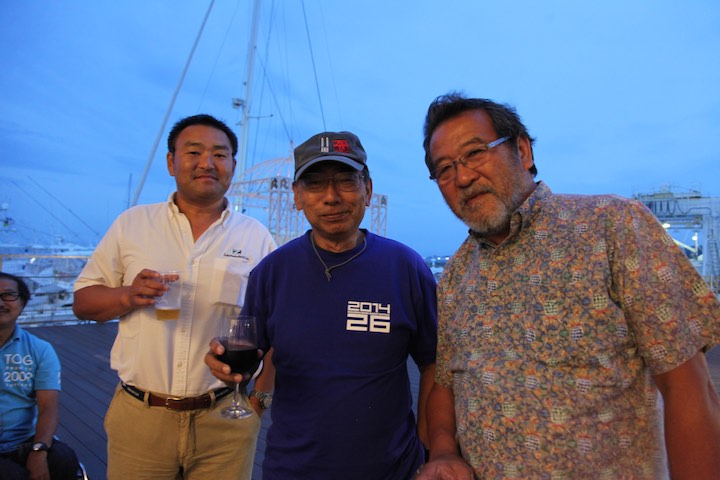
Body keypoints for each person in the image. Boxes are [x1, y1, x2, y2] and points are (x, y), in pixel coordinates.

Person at [416, 92, 720, 479]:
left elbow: (689, 391)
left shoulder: (613, 226)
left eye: (475, 153)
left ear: (522, 151)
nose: (462, 177)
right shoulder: (456, 275)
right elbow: (445, 384)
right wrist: (443, 451)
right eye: (444, 169)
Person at [205, 131, 438, 479]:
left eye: (346, 181)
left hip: (393, 468)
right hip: (293, 468)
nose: (331, 197)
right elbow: (251, 351)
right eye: (314, 184)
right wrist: (228, 367)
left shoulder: (406, 268)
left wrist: (431, 449)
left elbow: (433, 363)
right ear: (297, 196)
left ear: (368, 190)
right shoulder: (272, 272)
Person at [73, 114, 276, 479]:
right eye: (194, 152)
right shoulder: (132, 224)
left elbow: (278, 325)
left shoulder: (255, 237)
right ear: (171, 162)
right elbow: (83, 303)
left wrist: (259, 400)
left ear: (232, 165)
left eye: (219, 154)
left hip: (225, 417)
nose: (207, 163)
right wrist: (128, 295)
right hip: (141, 417)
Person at [0, 272, 81, 479]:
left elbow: (48, 406)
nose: (1, 303)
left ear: (22, 303)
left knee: (64, 461)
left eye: (8, 295)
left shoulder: (39, 350)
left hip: (25, 441)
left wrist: (39, 450)